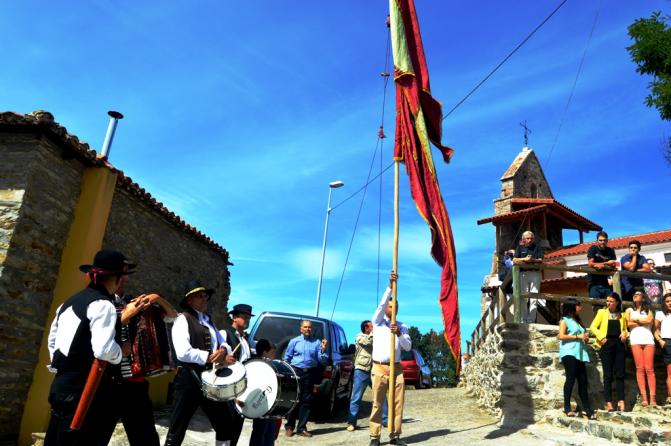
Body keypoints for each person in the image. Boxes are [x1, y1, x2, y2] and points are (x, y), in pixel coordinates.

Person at [44, 249, 130, 446]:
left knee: (56, 439)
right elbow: (103, 350)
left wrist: (65, 367)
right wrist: (122, 352)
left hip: (61, 384)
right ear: (117, 279)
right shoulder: (103, 305)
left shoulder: (68, 302)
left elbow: (53, 341)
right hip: (86, 392)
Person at [108, 271, 178, 446]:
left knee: (146, 439)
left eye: (125, 274)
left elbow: (172, 315)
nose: (122, 278)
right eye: (120, 273)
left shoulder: (133, 301)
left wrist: (157, 298)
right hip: (107, 382)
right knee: (96, 436)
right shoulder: (101, 302)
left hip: (135, 382)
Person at [164, 280, 236, 446]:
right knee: (177, 428)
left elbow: (224, 343)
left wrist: (223, 351)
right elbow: (183, 352)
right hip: (188, 379)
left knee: (225, 423)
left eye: (205, 296)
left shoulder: (209, 321)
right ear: (189, 300)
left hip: (210, 379)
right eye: (200, 296)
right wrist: (211, 356)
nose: (205, 299)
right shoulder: (182, 319)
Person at [369, 272, 411, 446]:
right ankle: (375, 436)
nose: (393, 309)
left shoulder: (402, 326)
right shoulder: (378, 322)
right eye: (391, 306)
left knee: (397, 403)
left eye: (396, 307)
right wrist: (390, 286)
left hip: (396, 368)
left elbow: (407, 347)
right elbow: (380, 305)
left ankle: (395, 435)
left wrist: (399, 333)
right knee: (377, 403)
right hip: (379, 367)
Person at [283, 320, 328, 438]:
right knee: (293, 399)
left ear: (312, 329)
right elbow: (287, 358)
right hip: (295, 372)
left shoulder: (317, 342)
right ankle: (289, 427)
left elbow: (322, 360)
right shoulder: (294, 341)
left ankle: (302, 428)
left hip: (310, 374)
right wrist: (288, 373)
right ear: (301, 329)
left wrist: (323, 350)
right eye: (305, 327)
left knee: (306, 401)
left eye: (309, 327)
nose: (308, 329)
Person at [220, 303, 255, 446]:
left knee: (236, 428)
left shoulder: (245, 340)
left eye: (249, 318)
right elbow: (216, 360)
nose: (247, 320)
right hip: (228, 388)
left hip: (241, 387)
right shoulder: (224, 334)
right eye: (244, 317)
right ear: (234, 317)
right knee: (226, 429)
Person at [590, 292, 628, 411]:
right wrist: (601, 337)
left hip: (619, 345)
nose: (608, 303)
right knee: (608, 375)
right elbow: (593, 327)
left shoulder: (622, 315)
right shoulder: (602, 312)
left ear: (617, 302)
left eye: (611, 301)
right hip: (606, 345)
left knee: (620, 374)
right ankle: (609, 402)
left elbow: (625, 330)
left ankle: (621, 400)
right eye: (607, 301)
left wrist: (625, 334)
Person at [346, 320, 387, 431]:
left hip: (375, 370)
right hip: (361, 370)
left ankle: (386, 420)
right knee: (356, 397)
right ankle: (351, 422)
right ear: (366, 328)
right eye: (372, 327)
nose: (374, 328)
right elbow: (368, 342)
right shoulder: (360, 337)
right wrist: (374, 333)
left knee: (381, 395)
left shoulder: (377, 338)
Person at [557, 298, 595, 419]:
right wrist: (578, 336)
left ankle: (587, 409)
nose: (580, 307)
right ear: (572, 307)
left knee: (583, 381)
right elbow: (561, 336)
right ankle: (567, 407)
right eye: (578, 305)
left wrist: (585, 338)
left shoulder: (577, 320)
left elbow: (580, 336)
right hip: (569, 352)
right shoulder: (565, 320)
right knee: (571, 378)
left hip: (579, 353)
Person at [626, 289, 657, 407]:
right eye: (634, 294)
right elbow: (628, 324)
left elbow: (649, 320)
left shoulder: (649, 310)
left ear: (643, 298)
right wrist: (642, 322)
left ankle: (653, 398)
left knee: (650, 369)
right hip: (635, 340)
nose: (635, 295)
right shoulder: (629, 310)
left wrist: (636, 320)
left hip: (648, 340)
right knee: (640, 369)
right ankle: (644, 398)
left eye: (638, 294)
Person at [249, 339, 279, 446]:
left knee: (270, 434)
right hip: (260, 404)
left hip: (270, 406)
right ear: (265, 353)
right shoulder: (257, 365)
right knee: (260, 432)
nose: (274, 356)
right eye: (272, 353)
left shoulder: (270, 365)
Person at [512, 231, 544, 323]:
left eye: (531, 238)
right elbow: (514, 260)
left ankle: (531, 320)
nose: (530, 240)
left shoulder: (537, 247)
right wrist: (525, 259)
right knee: (522, 296)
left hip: (535, 273)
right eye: (528, 238)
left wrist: (532, 260)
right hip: (523, 274)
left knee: (534, 296)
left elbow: (541, 260)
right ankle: (524, 319)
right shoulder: (519, 248)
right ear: (523, 239)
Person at [586, 231, 617, 301]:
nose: (603, 242)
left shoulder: (611, 250)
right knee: (596, 305)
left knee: (610, 303)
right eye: (600, 240)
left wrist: (602, 264)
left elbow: (613, 264)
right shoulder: (593, 248)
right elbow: (590, 263)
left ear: (607, 241)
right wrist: (606, 263)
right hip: (593, 283)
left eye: (604, 240)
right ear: (597, 241)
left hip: (606, 283)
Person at [655, 292, 671, 405]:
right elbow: (654, 329)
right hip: (668, 342)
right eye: (667, 301)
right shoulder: (660, 314)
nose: (670, 303)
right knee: (670, 372)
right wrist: (660, 341)